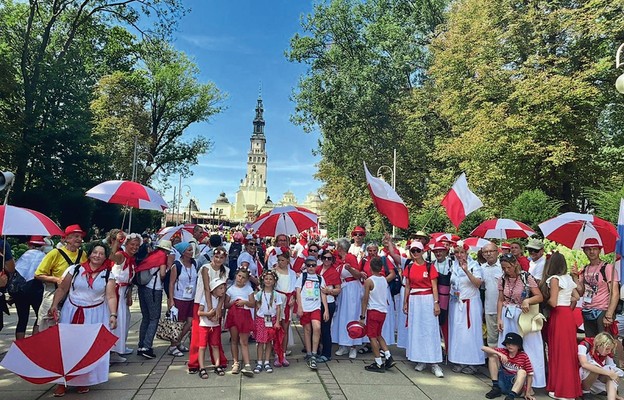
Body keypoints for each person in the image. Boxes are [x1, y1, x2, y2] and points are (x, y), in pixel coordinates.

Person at [48, 242, 117, 397]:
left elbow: (111, 296)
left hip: (95, 314)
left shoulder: (108, 275)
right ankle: (62, 382)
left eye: (101, 254)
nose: (97, 256)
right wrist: (54, 305)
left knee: (87, 348)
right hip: (71, 311)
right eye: (95, 252)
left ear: (105, 257)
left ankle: (83, 380)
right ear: (89, 253)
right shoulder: (75, 269)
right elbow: (62, 289)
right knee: (67, 347)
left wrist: (113, 315)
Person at [497, 253, 546, 389]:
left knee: (530, 347)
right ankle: (509, 379)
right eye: (503, 268)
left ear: (515, 264)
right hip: (508, 315)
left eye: (508, 267)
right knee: (509, 347)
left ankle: (532, 382)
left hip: (524, 316)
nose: (506, 270)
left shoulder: (526, 277)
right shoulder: (502, 279)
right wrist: (499, 318)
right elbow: (500, 300)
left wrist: (528, 300)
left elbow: (539, 296)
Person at [540, 252, 582, 400]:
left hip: (558, 315)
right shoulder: (568, 278)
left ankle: (559, 388)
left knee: (557, 350)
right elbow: (577, 297)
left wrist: (545, 300)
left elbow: (553, 301)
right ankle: (569, 388)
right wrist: (566, 300)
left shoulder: (554, 279)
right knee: (568, 351)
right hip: (568, 316)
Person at [402, 241, 443, 377]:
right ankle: (420, 359)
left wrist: (436, 303)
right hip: (414, 300)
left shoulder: (430, 267)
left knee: (430, 329)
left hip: (427, 299)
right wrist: (405, 302)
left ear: (422, 251)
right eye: (412, 251)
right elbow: (408, 286)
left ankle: (434, 363)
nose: (415, 253)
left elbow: (434, 286)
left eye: (417, 251)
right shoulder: (409, 267)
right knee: (417, 329)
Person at [35, 224, 88, 332]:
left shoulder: (83, 254)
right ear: (67, 238)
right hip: (53, 292)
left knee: (67, 324)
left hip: (73, 296)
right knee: (46, 323)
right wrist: (57, 280)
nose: (79, 239)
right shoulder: (55, 253)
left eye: (80, 237)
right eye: (76, 236)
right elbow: (38, 275)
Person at [187, 246, 229, 373]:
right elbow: (206, 288)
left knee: (215, 334)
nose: (218, 260)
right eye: (216, 257)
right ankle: (194, 363)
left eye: (221, 257)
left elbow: (223, 291)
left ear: (225, 258)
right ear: (212, 256)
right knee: (198, 334)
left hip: (217, 303)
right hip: (202, 302)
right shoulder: (206, 268)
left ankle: (218, 361)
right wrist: (210, 309)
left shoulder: (225, 270)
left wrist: (218, 308)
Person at [448, 242, 484, 374]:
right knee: (458, 333)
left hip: (471, 304)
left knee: (470, 334)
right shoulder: (453, 265)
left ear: (467, 253)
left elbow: (478, 284)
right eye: (456, 252)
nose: (459, 255)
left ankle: (473, 362)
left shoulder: (474, 265)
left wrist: (466, 271)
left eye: (461, 252)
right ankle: (459, 360)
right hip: (456, 303)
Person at [573, 237, 620, 338]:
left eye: (594, 249)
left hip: (602, 310)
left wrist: (609, 314)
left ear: (599, 250)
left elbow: (615, 293)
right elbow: (581, 292)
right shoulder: (585, 269)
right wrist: (575, 277)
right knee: (591, 342)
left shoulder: (607, 268)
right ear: (584, 251)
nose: (592, 251)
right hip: (587, 310)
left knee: (604, 344)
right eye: (588, 249)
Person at [108, 230, 142, 362]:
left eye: (137, 246)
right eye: (132, 244)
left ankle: (119, 347)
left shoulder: (131, 260)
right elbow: (111, 256)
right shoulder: (121, 256)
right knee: (117, 321)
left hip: (123, 293)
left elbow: (129, 280)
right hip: (115, 292)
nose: (134, 247)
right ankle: (111, 352)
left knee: (125, 320)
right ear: (126, 244)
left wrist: (128, 295)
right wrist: (116, 241)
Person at [135, 239, 171, 359]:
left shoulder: (151, 255)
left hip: (143, 287)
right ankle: (147, 346)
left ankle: (141, 345)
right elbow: (162, 274)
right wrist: (167, 269)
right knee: (154, 318)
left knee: (146, 317)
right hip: (154, 289)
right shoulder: (162, 257)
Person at [360, 256, 395, 373]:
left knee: (372, 336)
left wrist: (362, 316)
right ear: (381, 268)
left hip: (373, 310)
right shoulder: (384, 279)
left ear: (370, 267)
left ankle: (378, 361)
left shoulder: (369, 281)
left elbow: (365, 299)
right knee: (379, 334)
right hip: (383, 311)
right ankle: (388, 355)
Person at [332, 238, 363, 359]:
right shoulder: (339, 260)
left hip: (352, 290)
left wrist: (350, 268)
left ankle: (353, 346)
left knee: (352, 315)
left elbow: (358, 275)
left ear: (340, 248)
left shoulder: (351, 258)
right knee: (342, 316)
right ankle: (343, 344)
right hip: (343, 290)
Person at [297, 256, 329, 370]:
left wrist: (326, 309)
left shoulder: (320, 278)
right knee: (307, 330)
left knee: (317, 327)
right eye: (309, 265)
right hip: (305, 307)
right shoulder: (302, 276)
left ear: (316, 266)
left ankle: (314, 353)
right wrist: (299, 307)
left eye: (313, 265)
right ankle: (309, 352)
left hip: (316, 307)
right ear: (305, 266)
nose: (311, 267)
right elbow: (298, 291)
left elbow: (323, 294)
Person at [167, 242, 198, 357]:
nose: (191, 252)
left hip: (191, 297)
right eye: (189, 250)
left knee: (190, 322)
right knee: (178, 323)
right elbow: (171, 283)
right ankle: (173, 345)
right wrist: (171, 299)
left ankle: (177, 342)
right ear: (183, 252)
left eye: (191, 250)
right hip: (179, 297)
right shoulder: (177, 265)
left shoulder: (194, 263)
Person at [482, 332, 535, 400]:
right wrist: (499, 354)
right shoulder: (503, 351)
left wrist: (527, 393)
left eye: (513, 344)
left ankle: (511, 396)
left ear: (518, 346)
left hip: (515, 386)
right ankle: (495, 388)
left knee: (522, 372)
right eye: (508, 343)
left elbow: (530, 375)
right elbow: (483, 348)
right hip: (502, 382)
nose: (510, 346)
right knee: (492, 356)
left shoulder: (523, 356)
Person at [12, 236, 46, 339]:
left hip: (21, 289)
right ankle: (34, 343)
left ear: (29, 244)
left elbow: (16, 269)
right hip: (36, 288)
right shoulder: (44, 256)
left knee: (22, 319)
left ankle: (19, 346)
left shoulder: (24, 255)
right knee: (39, 317)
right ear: (42, 246)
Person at [225, 267, 255, 377]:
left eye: (243, 278)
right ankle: (235, 362)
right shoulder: (230, 290)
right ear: (235, 276)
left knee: (244, 341)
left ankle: (247, 364)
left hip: (244, 315)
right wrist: (233, 302)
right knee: (234, 340)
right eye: (239, 276)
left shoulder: (248, 289)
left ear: (246, 280)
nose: (240, 279)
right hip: (233, 315)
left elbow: (252, 303)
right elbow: (226, 304)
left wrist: (245, 302)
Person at [253, 269, 283, 374]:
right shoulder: (259, 294)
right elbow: (256, 307)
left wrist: (278, 322)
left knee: (269, 341)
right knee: (260, 342)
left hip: (272, 319)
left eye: (271, 279)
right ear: (263, 280)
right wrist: (255, 320)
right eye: (266, 279)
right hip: (261, 320)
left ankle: (266, 361)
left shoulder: (276, 294)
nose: (268, 281)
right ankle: (259, 361)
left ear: (274, 281)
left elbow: (278, 308)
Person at [578, 332, 624, 400]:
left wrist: (611, 374)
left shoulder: (606, 354)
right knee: (595, 367)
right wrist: (608, 373)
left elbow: (611, 369)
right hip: (581, 378)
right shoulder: (584, 345)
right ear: (599, 345)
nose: (609, 352)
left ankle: (611, 398)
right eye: (607, 349)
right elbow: (584, 364)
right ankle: (585, 392)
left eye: (610, 349)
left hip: (596, 382)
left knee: (611, 373)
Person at [197, 278, 227, 379]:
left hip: (215, 326)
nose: (223, 290)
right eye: (220, 288)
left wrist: (217, 317)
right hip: (204, 325)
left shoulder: (220, 300)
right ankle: (201, 367)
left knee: (215, 345)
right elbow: (199, 312)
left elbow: (221, 312)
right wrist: (208, 314)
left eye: (223, 288)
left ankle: (217, 365)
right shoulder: (206, 298)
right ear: (214, 289)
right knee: (202, 347)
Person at [317, 248, 341, 363]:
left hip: (329, 302)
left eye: (329, 258)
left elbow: (338, 289)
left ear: (332, 260)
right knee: (317, 328)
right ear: (321, 259)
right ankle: (315, 350)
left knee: (325, 329)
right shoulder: (317, 269)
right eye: (325, 258)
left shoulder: (334, 272)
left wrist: (328, 291)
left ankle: (326, 353)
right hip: (316, 302)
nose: (327, 260)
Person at [274, 248, 297, 366]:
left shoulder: (292, 273)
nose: (280, 262)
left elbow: (294, 287)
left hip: (288, 302)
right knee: (277, 327)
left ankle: (282, 354)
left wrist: (293, 297)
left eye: (282, 260)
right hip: (278, 301)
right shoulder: (274, 272)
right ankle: (276, 352)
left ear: (288, 261)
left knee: (286, 328)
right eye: (279, 260)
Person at [481, 242, 503, 347]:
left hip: (504, 309)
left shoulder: (503, 266)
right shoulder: (481, 268)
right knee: (492, 339)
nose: (488, 254)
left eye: (491, 251)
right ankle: (493, 362)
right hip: (489, 308)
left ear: (497, 252)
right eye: (485, 252)